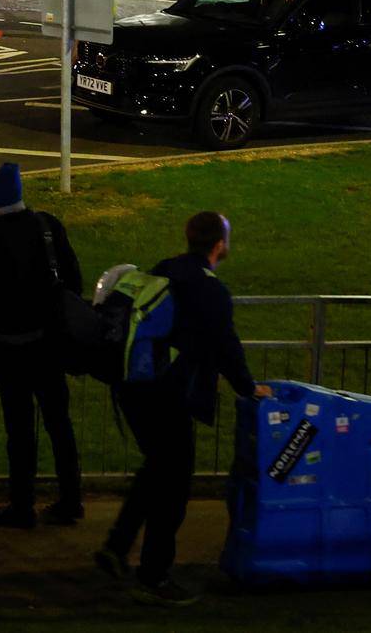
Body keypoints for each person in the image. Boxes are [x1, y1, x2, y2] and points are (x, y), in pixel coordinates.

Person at [96, 212, 269, 608]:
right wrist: (247, 388)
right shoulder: (210, 291)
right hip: (167, 394)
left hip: (133, 386)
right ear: (219, 245)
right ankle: (154, 575)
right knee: (172, 488)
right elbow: (227, 347)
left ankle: (117, 546)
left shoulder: (167, 269)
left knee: (157, 467)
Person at [0, 162, 84, 529]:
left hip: (9, 350)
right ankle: (70, 500)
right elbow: (73, 283)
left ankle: (21, 505)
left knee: (19, 429)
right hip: (48, 345)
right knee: (59, 423)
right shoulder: (48, 228)